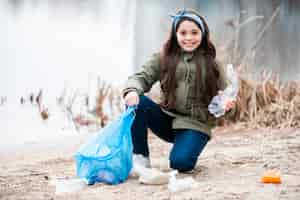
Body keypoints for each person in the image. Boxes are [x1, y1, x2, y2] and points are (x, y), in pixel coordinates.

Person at [122, 9, 236, 173]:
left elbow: (227, 96)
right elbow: (140, 77)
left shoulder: (213, 64)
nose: (188, 38)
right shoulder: (163, 58)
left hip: (196, 124)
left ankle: (187, 146)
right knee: (138, 102)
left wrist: (228, 106)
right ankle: (140, 158)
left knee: (180, 163)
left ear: (203, 34)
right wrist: (131, 91)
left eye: (194, 33)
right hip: (167, 119)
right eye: (183, 33)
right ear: (175, 35)